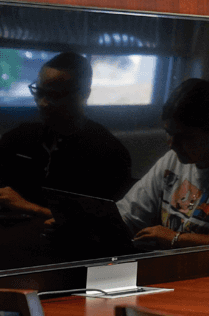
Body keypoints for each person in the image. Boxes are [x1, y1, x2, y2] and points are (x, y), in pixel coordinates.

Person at [116, 78, 209, 249]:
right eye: (169, 133)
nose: (172, 144)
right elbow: (127, 216)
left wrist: (176, 238)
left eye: (185, 137)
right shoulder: (173, 159)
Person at [0, 52, 131, 218]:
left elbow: (104, 223)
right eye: (39, 92)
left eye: (55, 95)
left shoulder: (109, 154)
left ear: (84, 94)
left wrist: (29, 208)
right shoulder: (19, 137)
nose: (42, 103)